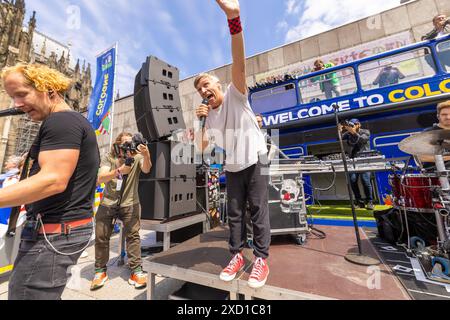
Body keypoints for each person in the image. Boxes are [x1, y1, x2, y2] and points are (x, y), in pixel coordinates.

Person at [0, 63, 100, 300]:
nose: (17, 104)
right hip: (59, 233)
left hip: (52, 235)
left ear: (49, 89)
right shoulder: (69, 122)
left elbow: (53, 181)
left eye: (22, 94)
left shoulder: (61, 122)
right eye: (13, 97)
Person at [195, 0, 271, 289]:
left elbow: (240, 60)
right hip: (234, 165)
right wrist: (200, 121)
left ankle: (261, 259)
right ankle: (237, 256)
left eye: (206, 85)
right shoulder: (209, 116)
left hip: (257, 157)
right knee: (235, 214)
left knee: (258, 209)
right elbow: (202, 148)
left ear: (218, 83)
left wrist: (234, 19)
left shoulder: (236, 92)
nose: (204, 90)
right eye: (200, 89)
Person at [91, 132, 152, 290]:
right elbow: (100, 178)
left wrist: (146, 154)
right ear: (117, 144)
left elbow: (146, 169)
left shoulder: (136, 156)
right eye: (124, 144)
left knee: (133, 236)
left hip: (130, 202)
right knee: (101, 236)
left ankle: (136, 271)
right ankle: (100, 271)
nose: (127, 147)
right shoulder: (109, 157)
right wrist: (119, 171)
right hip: (108, 202)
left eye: (130, 144)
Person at [340, 119, 374, 210]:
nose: (352, 126)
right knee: (352, 180)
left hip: (364, 160)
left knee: (365, 180)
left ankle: (370, 201)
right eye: (351, 125)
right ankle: (359, 201)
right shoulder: (348, 133)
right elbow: (339, 139)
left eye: (354, 124)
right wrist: (340, 130)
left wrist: (354, 132)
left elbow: (362, 140)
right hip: (353, 160)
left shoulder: (365, 131)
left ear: (359, 124)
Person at [418, 100, 450, 168]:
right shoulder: (428, 133)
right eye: (444, 115)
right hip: (437, 173)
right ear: (438, 116)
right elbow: (422, 157)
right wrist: (447, 158)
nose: (448, 117)